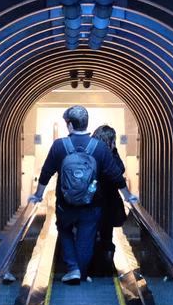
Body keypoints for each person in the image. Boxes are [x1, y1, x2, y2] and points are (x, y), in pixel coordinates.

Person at [29, 106, 138, 284]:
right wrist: (128, 195)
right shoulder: (100, 148)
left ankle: (73, 268)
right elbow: (115, 175)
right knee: (86, 238)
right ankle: (83, 272)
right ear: (86, 123)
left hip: (65, 204)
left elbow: (46, 172)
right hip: (92, 204)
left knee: (64, 229)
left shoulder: (59, 145)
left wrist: (38, 194)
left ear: (69, 125)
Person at [88, 125, 127, 276]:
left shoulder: (89, 151)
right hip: (108, 201)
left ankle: (90, 267)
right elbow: (120, 171)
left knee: (89, 233)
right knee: (107, 235)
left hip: (91, 200)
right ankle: (105, 267)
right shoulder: (110, 155)